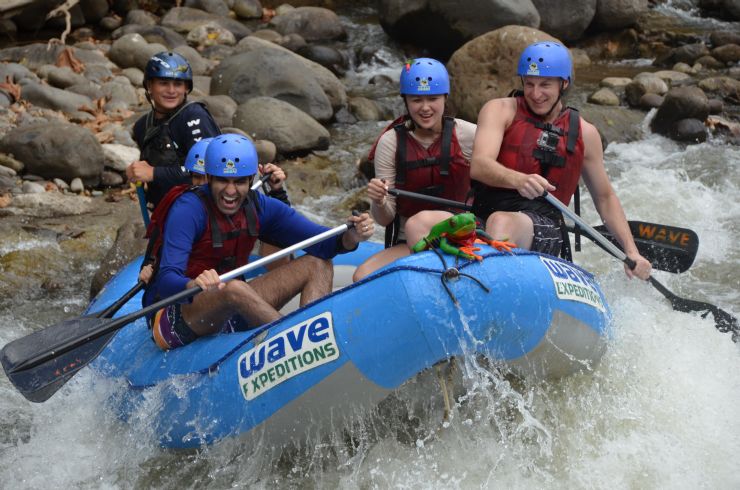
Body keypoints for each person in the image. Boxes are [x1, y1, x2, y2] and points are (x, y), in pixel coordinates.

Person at [144, 134, 374, 350]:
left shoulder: (259, 206)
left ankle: (313, 334)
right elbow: (166, 280)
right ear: (210, 178)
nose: (231, 191)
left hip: (232, 310)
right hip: (180, 315)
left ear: (251, 179)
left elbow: (321, 243)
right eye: (222, 180)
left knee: (319, 263)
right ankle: (303, 344)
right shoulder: (188, 209)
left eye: (240, 182)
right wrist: (192, 285)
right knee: (233, 288)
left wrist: (351, 236)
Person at [470, 41, 651, 280]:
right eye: (530, 84)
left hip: (545, 226)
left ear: (563, 84)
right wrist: (518, 180)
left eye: (545, 85)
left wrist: (631, 251)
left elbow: (605, 197)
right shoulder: (499, 110)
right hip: (482, 214)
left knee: (501, 222)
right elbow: (480, 165)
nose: (535, 94)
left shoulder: (585, 133)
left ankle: (492, 291)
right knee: (427, 223)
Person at [353, 58, 476, 281]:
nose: (425, 107)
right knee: (361, 276)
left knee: (423, 224)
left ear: (445, 98)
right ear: (406, 101)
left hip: (460, 237)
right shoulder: (390, 143)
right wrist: (379, 201)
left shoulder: (467, 135)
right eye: (416, 99)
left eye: (433, 99)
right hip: (411, 242)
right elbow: (384, 218)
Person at [126, 51, 221, 209]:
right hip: (165, 210)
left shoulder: (194, 116)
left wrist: (153, 173)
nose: (171, 90)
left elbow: (207, 170)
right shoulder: (142, 126)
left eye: (178, 84)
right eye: (163, 83)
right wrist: (137, 172)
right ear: (150, 85)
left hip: (202, 210)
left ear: (186, 88)